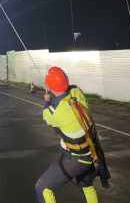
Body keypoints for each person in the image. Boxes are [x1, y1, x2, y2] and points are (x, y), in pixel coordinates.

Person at [35, 67, 109, 203]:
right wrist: (52, 91)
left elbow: (47, 113)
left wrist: (47, 99)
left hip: (77, 158)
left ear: (50, 86)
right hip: (92, 151)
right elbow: (64, 98)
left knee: (43, 188)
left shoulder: (54, 113)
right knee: (86, 185)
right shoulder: (77, 91)